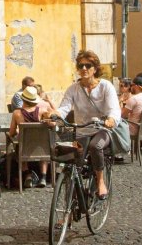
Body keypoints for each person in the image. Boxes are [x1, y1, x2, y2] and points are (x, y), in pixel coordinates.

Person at [45, 50, 126, 199]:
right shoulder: (73, 89)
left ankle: (101, 182)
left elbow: (114, 109)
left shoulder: (105, 87)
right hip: (81, 131)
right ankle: (67, 214)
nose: (83, 69)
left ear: (95, 68)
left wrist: (111, 120)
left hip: (101, 130)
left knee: (96, 146)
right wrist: (54, 114)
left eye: (87, 65)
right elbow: (64, 108)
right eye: (80, 65)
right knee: (72, 167)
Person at [10, 86, 50, 188]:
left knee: (19, 147)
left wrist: (14, 133)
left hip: (24, 148)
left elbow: (11, 133)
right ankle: (43, 177)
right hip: (40, 147)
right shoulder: (42, 111)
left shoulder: (17, 113)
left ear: (23, 99)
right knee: (43, 146)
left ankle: (27, 175)